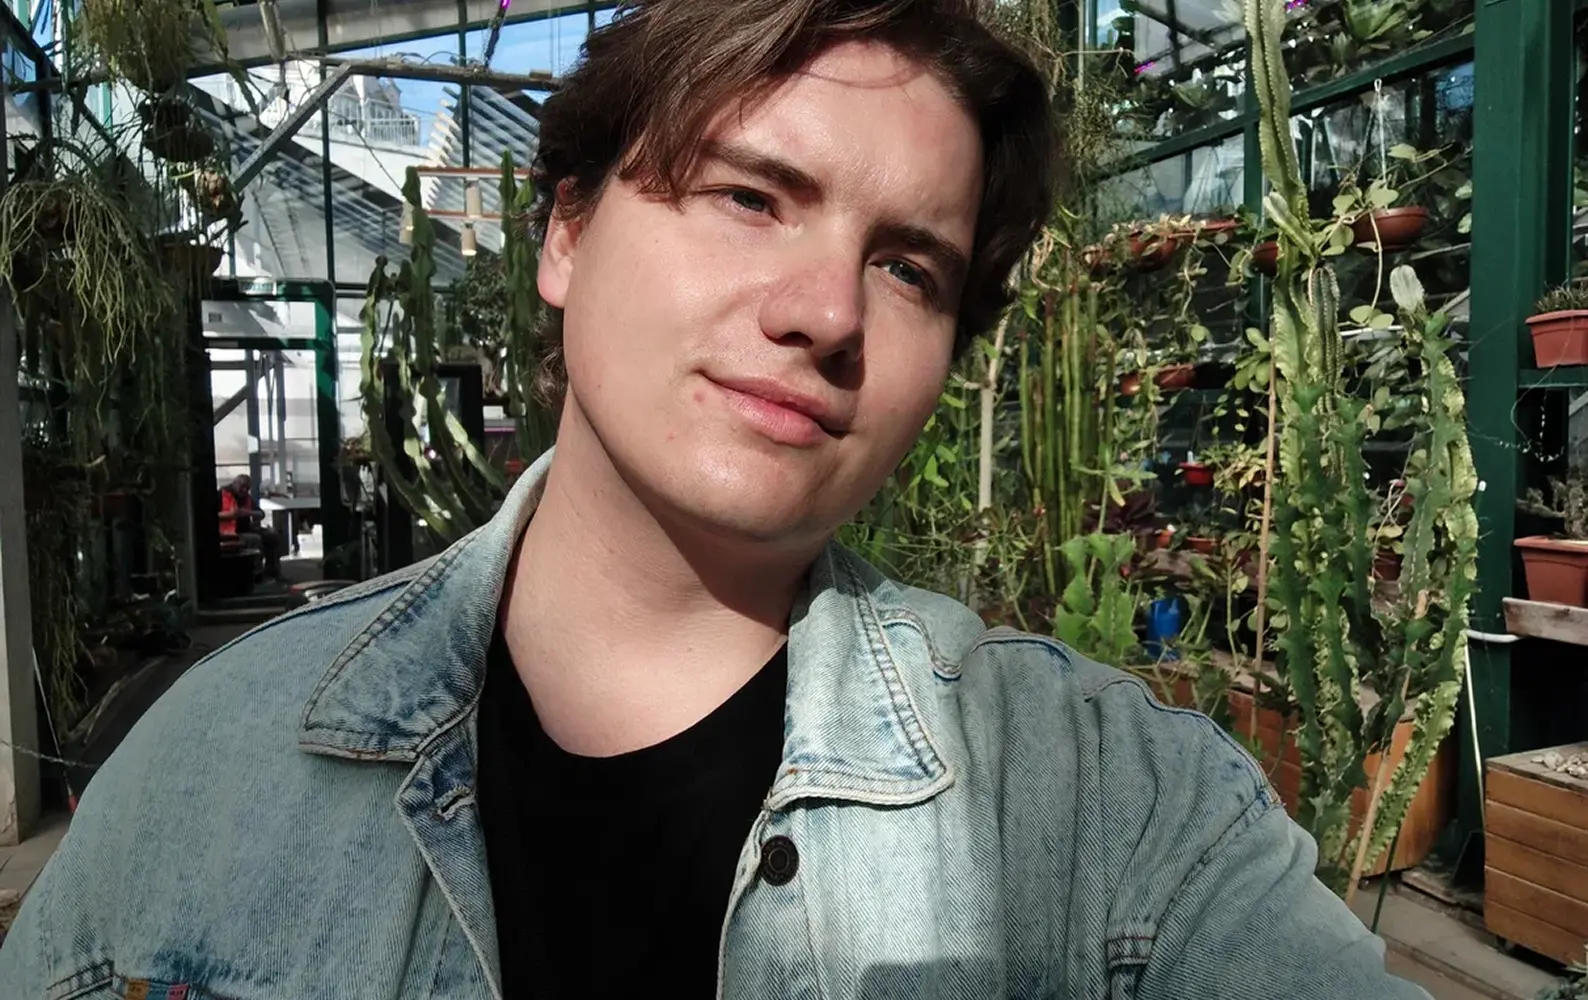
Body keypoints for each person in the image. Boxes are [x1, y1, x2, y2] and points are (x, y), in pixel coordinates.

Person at [0, 2, 1430, 997]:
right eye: (751, 196)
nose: (828, 312)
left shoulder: (1104, 811)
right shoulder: (209, 779)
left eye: (909, 268)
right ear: (566, 231)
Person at [218, 472, 282, 580]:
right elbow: (211, 515)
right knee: (255, 539)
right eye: (242, 487)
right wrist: (231, 514)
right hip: (229, 532)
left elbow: (261, 513)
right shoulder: (221, 495)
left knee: (272, 536)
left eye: (247, 488)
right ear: (235, 483)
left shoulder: (246, 497)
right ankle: (256, 574)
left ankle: (272, 571)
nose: (244, 490)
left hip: (246, 528)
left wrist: (248, 513)